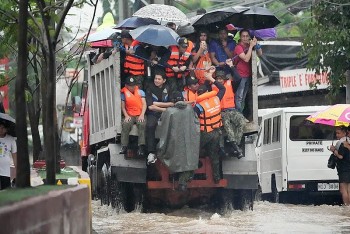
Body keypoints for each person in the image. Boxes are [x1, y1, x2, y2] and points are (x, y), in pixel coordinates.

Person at [157, 91, 200, 191]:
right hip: (189, 143)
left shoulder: (169, 111)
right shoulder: (190, 110)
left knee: (171, 157)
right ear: (183, 99)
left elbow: (161, 126)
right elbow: (196, 124)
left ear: (173, 101)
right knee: (189, 161)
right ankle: (183, 182)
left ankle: (174, 176)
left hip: (173, 144)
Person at [193, 66, 225, 183]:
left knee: (194, 152)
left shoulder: (199, 106)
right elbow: (222, 89)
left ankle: (189, 176)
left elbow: (192, 118)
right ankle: (216, 178)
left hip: (205, 133)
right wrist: (211, 79)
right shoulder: (216, 99)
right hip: (216, 132)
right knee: (214, 155)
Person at [212, 69, 246, 159]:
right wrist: (210, 72)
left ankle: (236, 144)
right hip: (221, 112)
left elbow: (239, 78)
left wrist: (231, 67)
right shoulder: (212, 86)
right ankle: (236, 148)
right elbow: (205, 82)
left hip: (232, 110)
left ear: (224, 79)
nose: (219, 80)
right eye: (217, 78)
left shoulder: (230, 84)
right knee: (227, 125)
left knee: (241, 122)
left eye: (221, 78)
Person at [145, 69, 174, 164]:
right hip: (153, 114)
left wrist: (157, 104)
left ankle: (170, 150)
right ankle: (151, 152)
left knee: (172, 127)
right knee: (150, 126)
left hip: (165, 114)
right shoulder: (149, 88)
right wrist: (165, 109)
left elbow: (172, 103)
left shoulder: (168, 88)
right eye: (155, 78)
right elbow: (150, 106)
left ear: (164, 80)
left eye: (159, 79)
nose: (156, 80)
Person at [232, 29, 262, 112]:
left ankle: (241, 113)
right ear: (240, 37)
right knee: (239, 97)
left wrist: (256, 45)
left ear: (249, 37)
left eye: (247, 36)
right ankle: (238, 115)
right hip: (240, 75)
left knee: (244, 96)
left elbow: (260, 54)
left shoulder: (249, 45)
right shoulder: (238, 47)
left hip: (248, 74)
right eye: (243, 36)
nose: (245, 38)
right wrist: (251, 47)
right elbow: (246, 59)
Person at [119, 76, 147, 157]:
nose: (132, 87)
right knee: (125, 124)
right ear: (126, 85)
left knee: (142, 124)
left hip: (139, 114)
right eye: (130, 85)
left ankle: (141, 147)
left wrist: (142, 115)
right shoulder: (123, 94)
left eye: (133, 85)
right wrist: (126, 116)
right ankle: (124, 146)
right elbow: (123, 107)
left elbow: (144, 104)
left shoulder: (141, 92)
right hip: (130, 114)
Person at [329, 126, 350, 205]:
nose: (337, 135)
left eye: (338, 133)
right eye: (336, 133)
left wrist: (334, 150)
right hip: (348, 167)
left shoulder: (342, 143)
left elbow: (340, 156)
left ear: (344, 133)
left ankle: (346, 206)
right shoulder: (348, 141)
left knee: (343, 190)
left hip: (344, 169)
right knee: (348, 189)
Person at [0, 122, 17, 190]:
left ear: (6, 129)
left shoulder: (11, 139)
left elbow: (14, 155)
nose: (0, 130)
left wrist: (17, 170)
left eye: (2, 128)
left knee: (6, 190)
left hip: (5, 171)